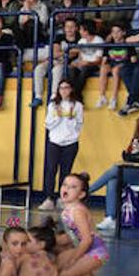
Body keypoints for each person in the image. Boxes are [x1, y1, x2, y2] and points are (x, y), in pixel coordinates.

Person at [40, 80, 84, 209]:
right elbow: (48, 124)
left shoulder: (78, 106)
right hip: (54, 141)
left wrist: (71, 119)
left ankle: (62, 198)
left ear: (71, 89)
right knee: (51, 170)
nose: (64, 91)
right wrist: (58, 117)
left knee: (65, 172)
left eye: (66, 88)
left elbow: (79, 125)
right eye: (61, 88)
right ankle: (48, 198)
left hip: (70, 142)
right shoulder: (53, 105)